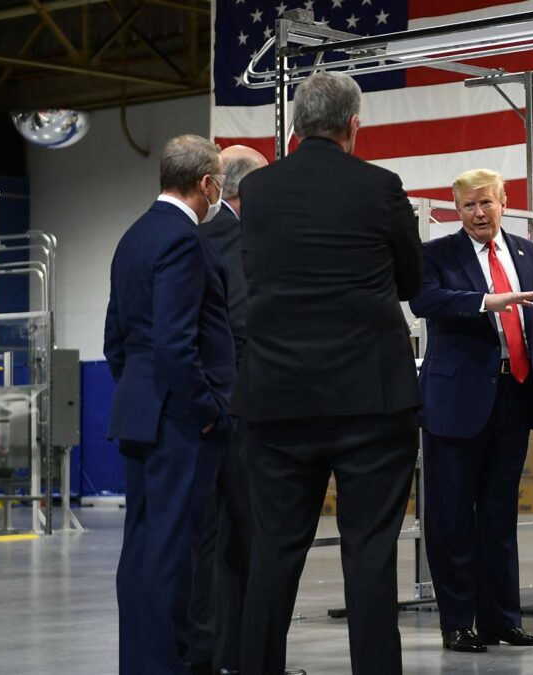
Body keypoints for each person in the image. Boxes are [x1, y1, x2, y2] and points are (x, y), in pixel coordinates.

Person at [232, 71, 423, 675]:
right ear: (353, 125)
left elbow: (256, 274)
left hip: (279, 398)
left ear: (295, 124)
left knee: (274, 553)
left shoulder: (257, 191)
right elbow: (414, 284)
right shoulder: (381, 186)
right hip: (371, 399)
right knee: (369, 554)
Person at [409, 168, 533, 654]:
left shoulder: (529, 253)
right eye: (468, 206)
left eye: (486, 203)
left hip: (514, 398)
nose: (478, 213)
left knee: (499, 517)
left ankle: (502, 620)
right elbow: (424, 300)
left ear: (504, 201)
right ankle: (458, 622)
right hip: (455, 403)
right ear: (456, 210)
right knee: (452, 517)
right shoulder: (437, 254)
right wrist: (485, 301)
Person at [104, 134, 235, 675]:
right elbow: (177, 343)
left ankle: (140, 663)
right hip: (180, 422)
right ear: (206, 184)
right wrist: (206, 411)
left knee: (142, 550)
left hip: (141, 412)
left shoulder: (133, 237)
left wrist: (141, 392)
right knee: (173, 554)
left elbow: (116, 339)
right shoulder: (184, 240)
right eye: (218, 186)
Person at [187, 144, 268, 675]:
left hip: (199, 411)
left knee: (207, 540)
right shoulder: (238, 241)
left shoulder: (194, 236)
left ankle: (207, 652)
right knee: (243, 538)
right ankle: (234, 655)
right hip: (239, 411)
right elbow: (241, 327)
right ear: (248, 190)